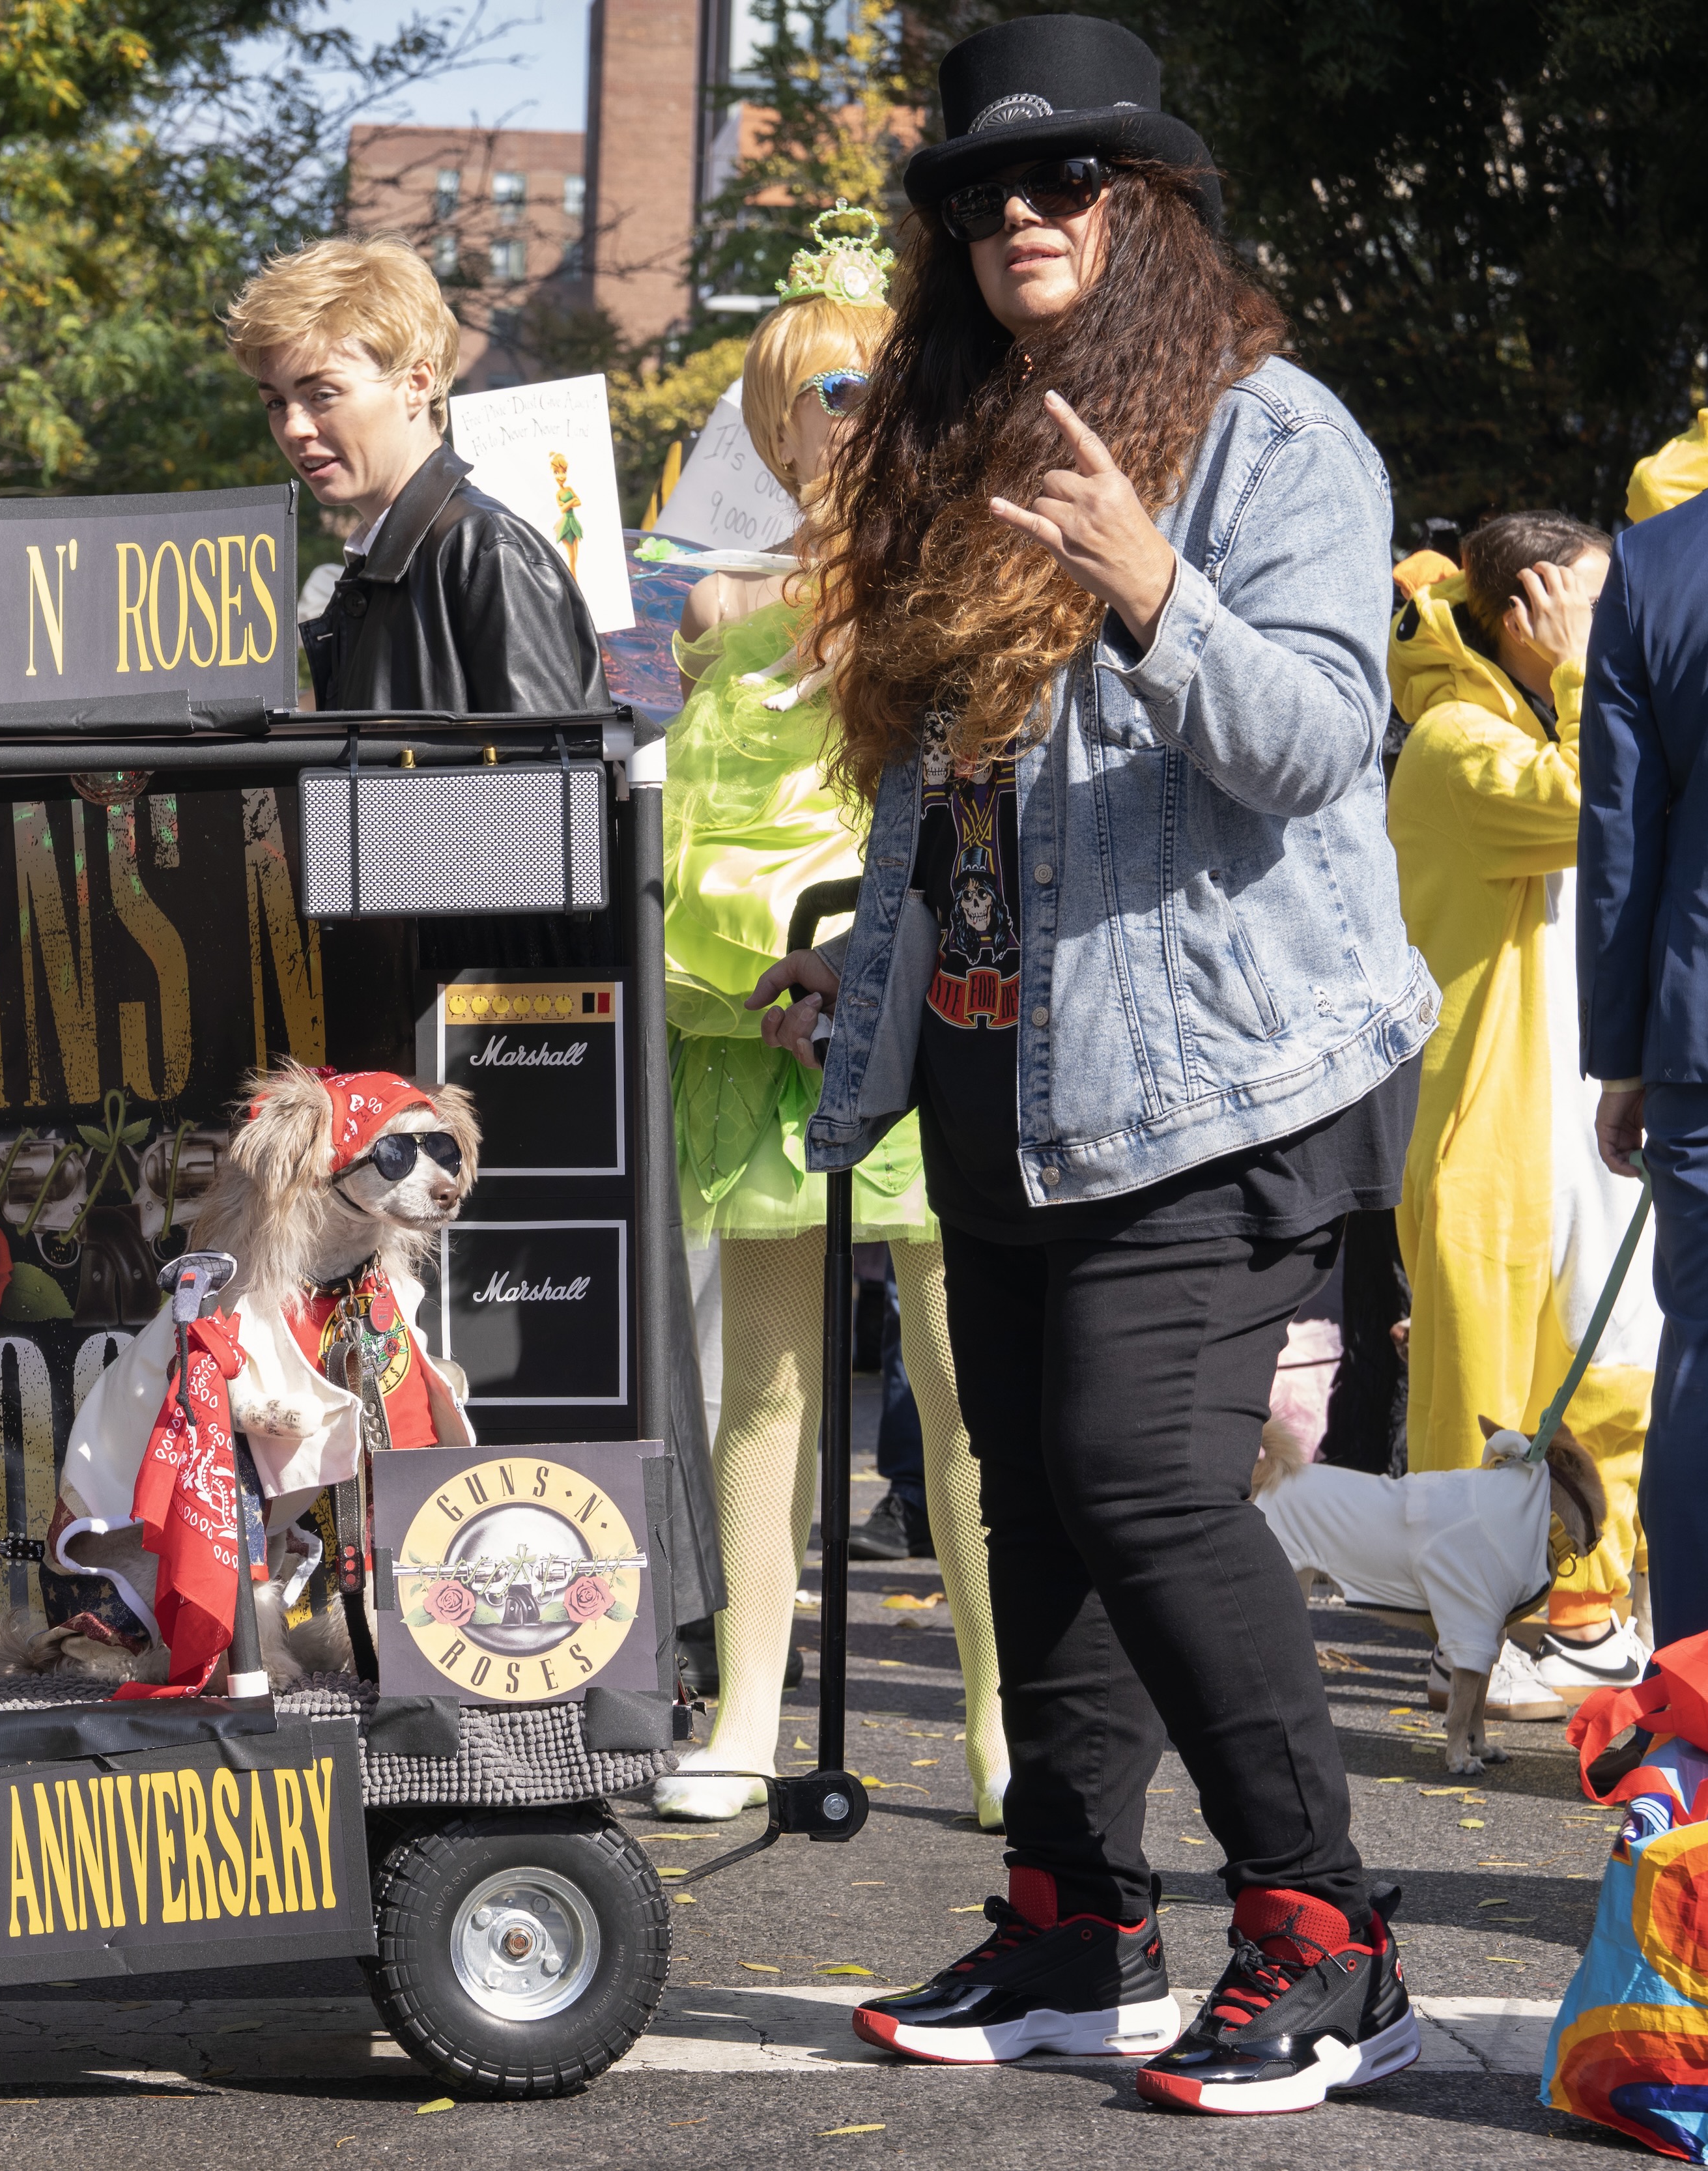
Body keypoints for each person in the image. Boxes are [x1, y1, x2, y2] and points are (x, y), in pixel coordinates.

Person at [749, 15, 1433, 2111]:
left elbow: (1316, 745)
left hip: (1216, 1069)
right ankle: (1074, 1924)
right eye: (976, 197)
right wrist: (872, 984)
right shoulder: (962, 431)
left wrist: (1148, 582)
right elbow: (953, 798)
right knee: (1029, 1488)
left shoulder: (1266, 435)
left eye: (1064, 188)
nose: (1016, 220)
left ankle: (1325, 1932)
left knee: (1140, 1475)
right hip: (997, 1061)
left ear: (1146, 216)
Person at [650, 206, 1007, 1829]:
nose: (834, 424)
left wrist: (883, 960)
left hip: (928, 1014)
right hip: (758, 1027)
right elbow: (697, 834)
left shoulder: (955, 587)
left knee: (960, 1383)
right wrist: (745, 977)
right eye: (806, 394)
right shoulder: (720, 612)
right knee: (768, 1389)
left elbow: (969, 811)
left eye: (862, 388)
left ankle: (1008, 1718)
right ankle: (741, 1707)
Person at [1388, 510, 1653, 1710]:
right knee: (1482, 1406)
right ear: (1531, 609)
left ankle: (1589, 1617)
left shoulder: (1533, 718)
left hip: (1575, 1126)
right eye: (1596, 608)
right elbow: (1606, 802)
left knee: (1612, 1375)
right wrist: (1601, 668)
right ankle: (1472, 1637)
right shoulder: (1451, 738)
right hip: (1490, 1139)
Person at [224, 236, 601, 716]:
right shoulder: (382, 562)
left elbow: (545, 785)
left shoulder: (487, 552)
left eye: (322, 394)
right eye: (275, 403)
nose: (294, 427)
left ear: (416, 384)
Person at [1579, 485, 1708, 1655]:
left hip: (1698, 1030)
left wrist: (1620, 1055)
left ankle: (1695, 1705)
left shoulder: (1662, 561)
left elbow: (1621, 824)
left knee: (1702, 1360)